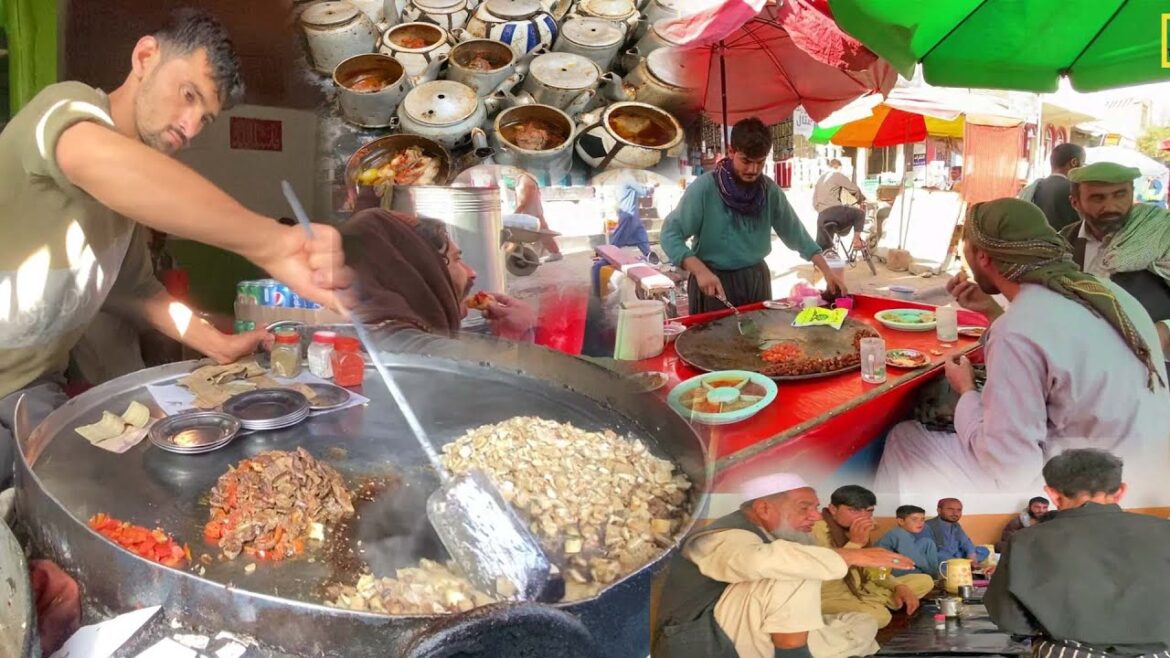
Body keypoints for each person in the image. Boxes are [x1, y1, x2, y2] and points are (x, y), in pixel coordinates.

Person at [0, 8, 351, 489]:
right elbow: (91, 157)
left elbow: (141, 293)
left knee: (88, 489)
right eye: (188, 95)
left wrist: (214, 342)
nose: (190, 127)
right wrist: (270, 242)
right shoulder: (66, 109)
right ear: (146, 56)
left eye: (204, 117)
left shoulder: (126, 210)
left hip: (28, 392)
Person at [874, 199, 1169, 497]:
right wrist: (991, 310)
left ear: (983, 257)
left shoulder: (1017, 330)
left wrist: (966, 392)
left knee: (906, 438)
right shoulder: (1104, 291)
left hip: (1083, 493)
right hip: (1146, 469)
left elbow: (1009, 466)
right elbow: (1056, 341)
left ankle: (893, 537)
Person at [654, 473, 907, 658]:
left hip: (759, 625)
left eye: (816, 508)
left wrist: (886, 577)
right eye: (804, 507)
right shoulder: (722, 535)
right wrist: (851, 553)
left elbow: (872, 571)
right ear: (764, 508)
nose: (816, 515)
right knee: (795, 568)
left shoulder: (785, 534)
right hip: (705, 641)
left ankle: (811, 645)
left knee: (863, 622)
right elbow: (756, 560)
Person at [986, 449, 1170, 656]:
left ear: (1053, 494)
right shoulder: (1165, 531)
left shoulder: (1025, 540)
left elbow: (1010, 620)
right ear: (1120, 491)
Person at [977, 162, 1170, 355]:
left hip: (1156, 368)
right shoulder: (1061, 244)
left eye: (1120, 194)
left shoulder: (1159, 235)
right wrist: (990, 309)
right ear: (1075, 202)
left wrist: (1165, 330)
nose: (1111, 206)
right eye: (1097, 198)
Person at [661, 118, 847, 315]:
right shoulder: (704, 189)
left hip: (756, 281)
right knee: (712, 344)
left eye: (760, 162)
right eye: (746, 161)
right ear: (731, 152)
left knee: (756, 342)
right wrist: (699, 270)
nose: (753, 170)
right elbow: (670, 234)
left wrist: (828, 272)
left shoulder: (769, 191)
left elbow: (797, 235)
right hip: (713, 283)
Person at [340, 209, 535, 342]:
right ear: (425, 271)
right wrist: (526, 332)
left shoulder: (362, 335)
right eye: (457, 259)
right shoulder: (430, 351)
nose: (472, 273)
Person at [812, 486, 933, 628]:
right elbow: (822, 579)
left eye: (869, 511)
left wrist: (899, 586)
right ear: (833, 509)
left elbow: (875, 572)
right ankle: (878, 605)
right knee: (880, 616)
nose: (863, 517)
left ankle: (877, 603)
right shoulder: (815, 531)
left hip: (865, 589)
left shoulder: (856, 528)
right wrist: (855, 544)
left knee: (924, 581)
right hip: (830, 596)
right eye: (854, 510)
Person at [1017, 143, 1083, 231]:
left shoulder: (1033, 188)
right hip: (1064, 243)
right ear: (1074, 162)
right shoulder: (1076, 190)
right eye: (1083, 163)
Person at [812, 159, 867, 254]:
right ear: (838, 167)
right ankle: (857, 241)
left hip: (822, 217)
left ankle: (822, 260)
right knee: (860, 214)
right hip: (836, 213)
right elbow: (854, 189)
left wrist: (824, 211)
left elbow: (814, 203)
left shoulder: (820, 179)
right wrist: (860, 199)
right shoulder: (836, 174)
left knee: (822, 249)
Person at [874, 505, 939, 577]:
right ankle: (932, 574)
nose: (920, 523)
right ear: (901, 521)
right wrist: (932, 573)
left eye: (922, 519)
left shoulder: (905, 533)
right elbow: (915, 558)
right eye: (914, 519)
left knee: (927, 542)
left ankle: (933, 572)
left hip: (897, 562)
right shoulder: (899, 533)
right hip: (885, 569)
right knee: (923, 577)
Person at [514, 172, 562, 263]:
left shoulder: (526, 180)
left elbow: (525, 199)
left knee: (544, 233)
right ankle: (554, 252)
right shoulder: (524, 178)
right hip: (532, 212)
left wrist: (516, 212)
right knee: (543, 233)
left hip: (533, 212)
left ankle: (555, 253)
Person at [923, 498, 989, 564]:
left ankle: (962, 564)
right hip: (942, 557)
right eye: (950, 509)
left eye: (959, 510)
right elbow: (929, 551)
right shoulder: (928, 526)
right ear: (939, 510)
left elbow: (965, 541)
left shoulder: (955, 525)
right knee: (940, 556)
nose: (955, 513)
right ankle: (962, 564)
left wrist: (971, 554)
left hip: (958, 555)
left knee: (983, 550)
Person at [610, 174, 658, 262]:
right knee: (617, 240)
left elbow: (640, 189)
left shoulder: (622, 180)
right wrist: (652, 186)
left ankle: (649, 256)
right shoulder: (628, 178)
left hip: (632, 215)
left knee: (641, 236)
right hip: (629, 215)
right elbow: (644, 191)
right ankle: (607, 258)